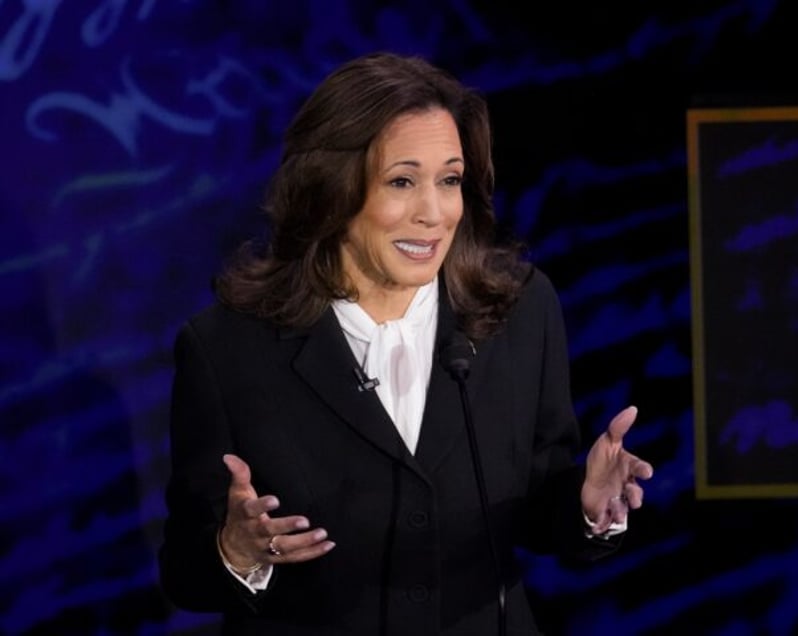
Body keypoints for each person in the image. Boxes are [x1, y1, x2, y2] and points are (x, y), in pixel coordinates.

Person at [158, 51, 653, 636]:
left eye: (449, 180)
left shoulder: (518, 311)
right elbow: (186, 573)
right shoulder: (228, 348)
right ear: (333, 189)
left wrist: (588, 505)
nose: (435, 213)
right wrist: (237, 551)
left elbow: (538, 510)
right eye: (401, 181)